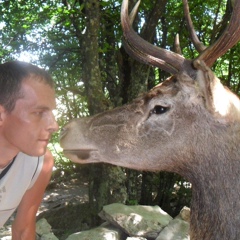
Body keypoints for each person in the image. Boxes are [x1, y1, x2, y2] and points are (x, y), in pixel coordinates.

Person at [0, 61, 59, 239]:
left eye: (51, 113)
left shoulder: (39, 164)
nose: (54, 126)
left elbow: (24, 229)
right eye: (39, 113)